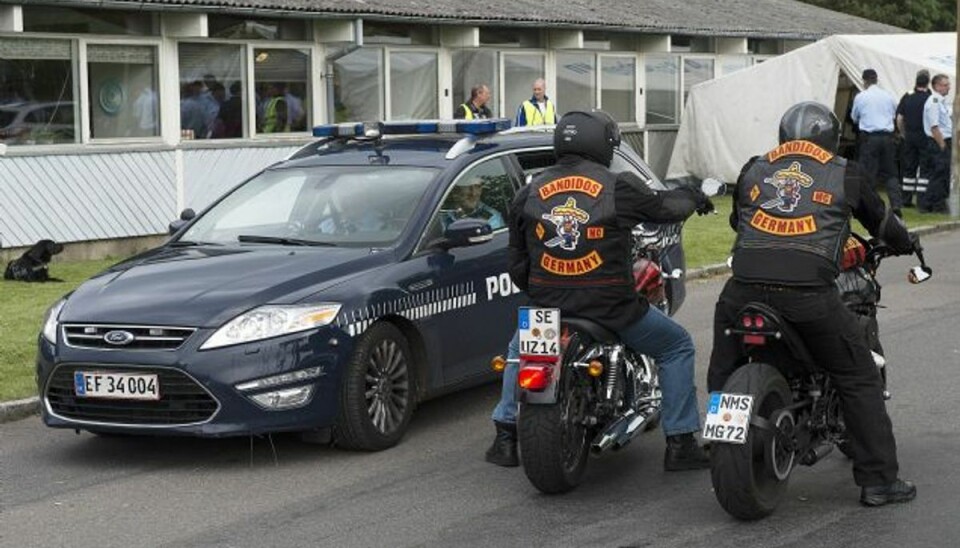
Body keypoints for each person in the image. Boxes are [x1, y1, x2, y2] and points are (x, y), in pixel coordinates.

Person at [707, 101, 918, 507]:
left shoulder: (754, 167)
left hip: (742, 290)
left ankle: (720, 441)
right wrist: (906, 242)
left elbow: (739, 220)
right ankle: (879, 481)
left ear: (784, 135)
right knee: (858, 376)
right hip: (806, 295)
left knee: (725, 367)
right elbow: (883, 224)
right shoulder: (845, 172)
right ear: (831, 138)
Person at [485, 110, 714, 471]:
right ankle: (681, 442)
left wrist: (542, 291)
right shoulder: (616, 186)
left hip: (549, 307)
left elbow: (517, 263)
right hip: (610, 308)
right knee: (676, 346)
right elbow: (664, 208)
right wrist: (694, 197)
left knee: (520, 349)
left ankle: (505, 436)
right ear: (603, 144)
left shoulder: (528, 192)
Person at [851, 68, 902, 216]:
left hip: (869, 138)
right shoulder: (888, 95)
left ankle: (871, 205)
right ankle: (896, 204)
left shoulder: (861, 97)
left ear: (864, 81)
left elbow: (854, 117)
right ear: (876, 79)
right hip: (887, 137)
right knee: (890, 172)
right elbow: (894, 114)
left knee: (868, 172)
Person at [896, 70, 932, 207]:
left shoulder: (907, 96)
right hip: (925, 137)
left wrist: (903, 133)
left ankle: (906, 200)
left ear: (916, 80)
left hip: (910, 137)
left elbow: (899, 118)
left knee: (909, 168)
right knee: (924, 168)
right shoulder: (930, 98)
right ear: (928, 82)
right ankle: (922, 200)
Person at [920, 74, 952, 214]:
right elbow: (934, 127)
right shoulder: (933, 101)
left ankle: (934, 203)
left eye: (948, 84)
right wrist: (943, 145)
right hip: (938, 141)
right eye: (945, 84)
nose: (948, 87)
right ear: (936, 86)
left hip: (943, 140)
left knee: (943, 174)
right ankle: (933, 204)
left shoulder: (941, 101)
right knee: (939, 174)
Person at [440, 176, 505, 230]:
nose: (474, 193)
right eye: (468, 187)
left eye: (477, 187)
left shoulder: (492, 218)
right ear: (455, 193)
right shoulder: (439, 215)